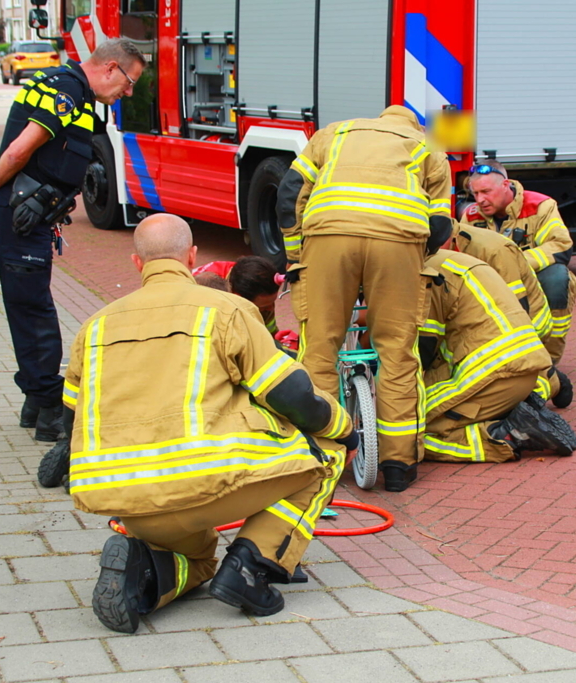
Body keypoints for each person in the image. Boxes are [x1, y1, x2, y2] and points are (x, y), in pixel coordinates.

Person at [61, 214, 356, 633]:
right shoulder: (226, 309)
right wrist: (345, 428)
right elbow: (290, 395)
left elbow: (70, 412)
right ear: (192, 256)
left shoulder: (94, 326)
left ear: (136, 263)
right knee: (325, 452)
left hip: (126, 501)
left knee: (197, 560)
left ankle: (144, 575)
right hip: (205, 482)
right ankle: (252, 565)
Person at [0, 38, 145, 444]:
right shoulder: (67, 90)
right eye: (129, 82)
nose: (128, 93)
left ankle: (34, 399)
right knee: (35, 311)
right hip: (21, 216)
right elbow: (19, 150)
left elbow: (31, 154)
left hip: (28, 213)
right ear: (111, 68)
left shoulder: (73, 90)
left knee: (30, 305)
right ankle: (48, 409)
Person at [276, 106, 453, 493]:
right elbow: (440, 223)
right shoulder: (429, 147)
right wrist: (412, 263)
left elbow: (289, 194)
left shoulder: (333, 134)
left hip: (329, 235)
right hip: (398, 241)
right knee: (397, 352)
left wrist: (296, 255)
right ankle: (398, 465)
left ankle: (323, 454)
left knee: (320, 348)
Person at [420, 250, 576, 463]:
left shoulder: (427, 276)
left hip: (493, 373)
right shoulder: (458, 260)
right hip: (530, 364)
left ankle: (507, 434)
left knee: (411, 429)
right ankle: (547, 385)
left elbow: (424, 347)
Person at [460, 161, 576, 364]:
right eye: (476, 193)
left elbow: (561, 246)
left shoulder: (540, 206)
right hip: (493, 285)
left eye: (486, 192)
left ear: (505, 185)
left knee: (557, 278)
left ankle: (548, 362)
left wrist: (516, 262)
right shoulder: (471, 216)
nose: (480, 200)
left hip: (532, 283)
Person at [446, 221, 573, 408]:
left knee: (509, 384)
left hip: (528, 321)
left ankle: (549, 380)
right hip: (485, 315)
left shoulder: (493, 249)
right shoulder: (443, 245)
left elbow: (516, 308)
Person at [192, 256, 282, 336]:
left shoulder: (249, 278)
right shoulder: (205, 291)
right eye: (264, 307)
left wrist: (274, 339)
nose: (270, 308)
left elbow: (268, 328)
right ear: (239, 297)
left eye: (272, 302)